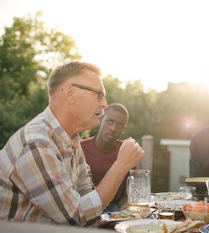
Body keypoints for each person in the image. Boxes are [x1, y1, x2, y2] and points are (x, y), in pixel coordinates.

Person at [0, 62, 144, 225]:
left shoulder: (71, 140)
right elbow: (76, 216)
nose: (104, 103)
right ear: (70, 93)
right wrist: (121, 164)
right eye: (99, 94)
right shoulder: (36, 143)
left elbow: (87, 201)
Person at [81, 103, 130, 212]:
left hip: (115, 209)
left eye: (120, 125)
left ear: (123, 129)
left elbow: (127, 194)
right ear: (101, 119)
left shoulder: (127, 151)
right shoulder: (80, 149)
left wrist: (120, 214)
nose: (113, 128)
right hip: (85, 209)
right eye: (110, 121)